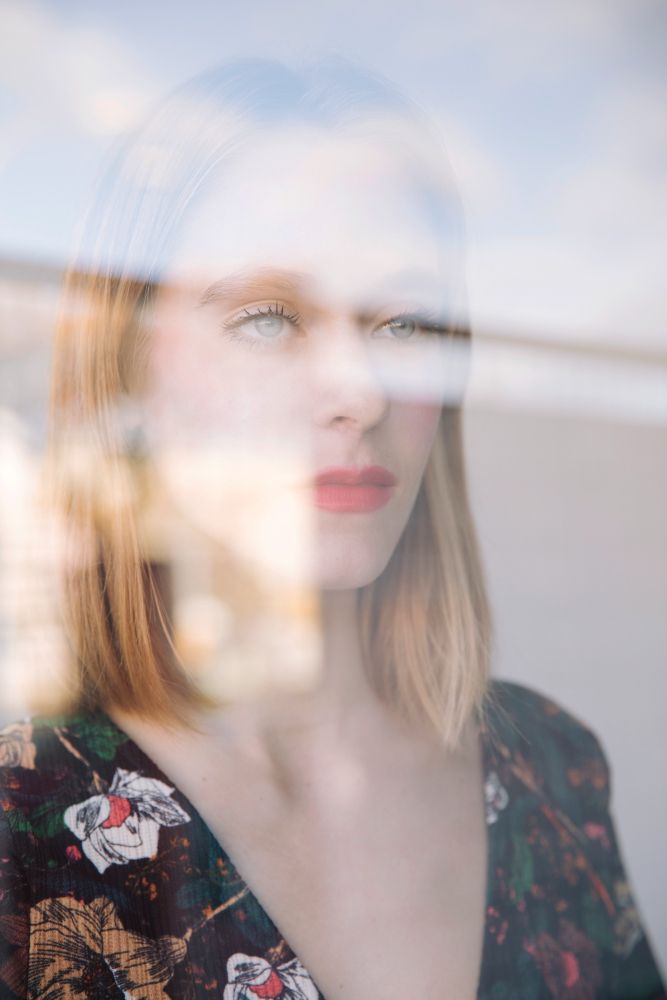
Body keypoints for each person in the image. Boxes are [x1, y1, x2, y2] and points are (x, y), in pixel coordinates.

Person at [0, 60, 663, 1000]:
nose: (357, 390)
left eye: (406, 324)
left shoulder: (551, 768)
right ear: (126, 371)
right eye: (269, 318)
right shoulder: (21, 830)